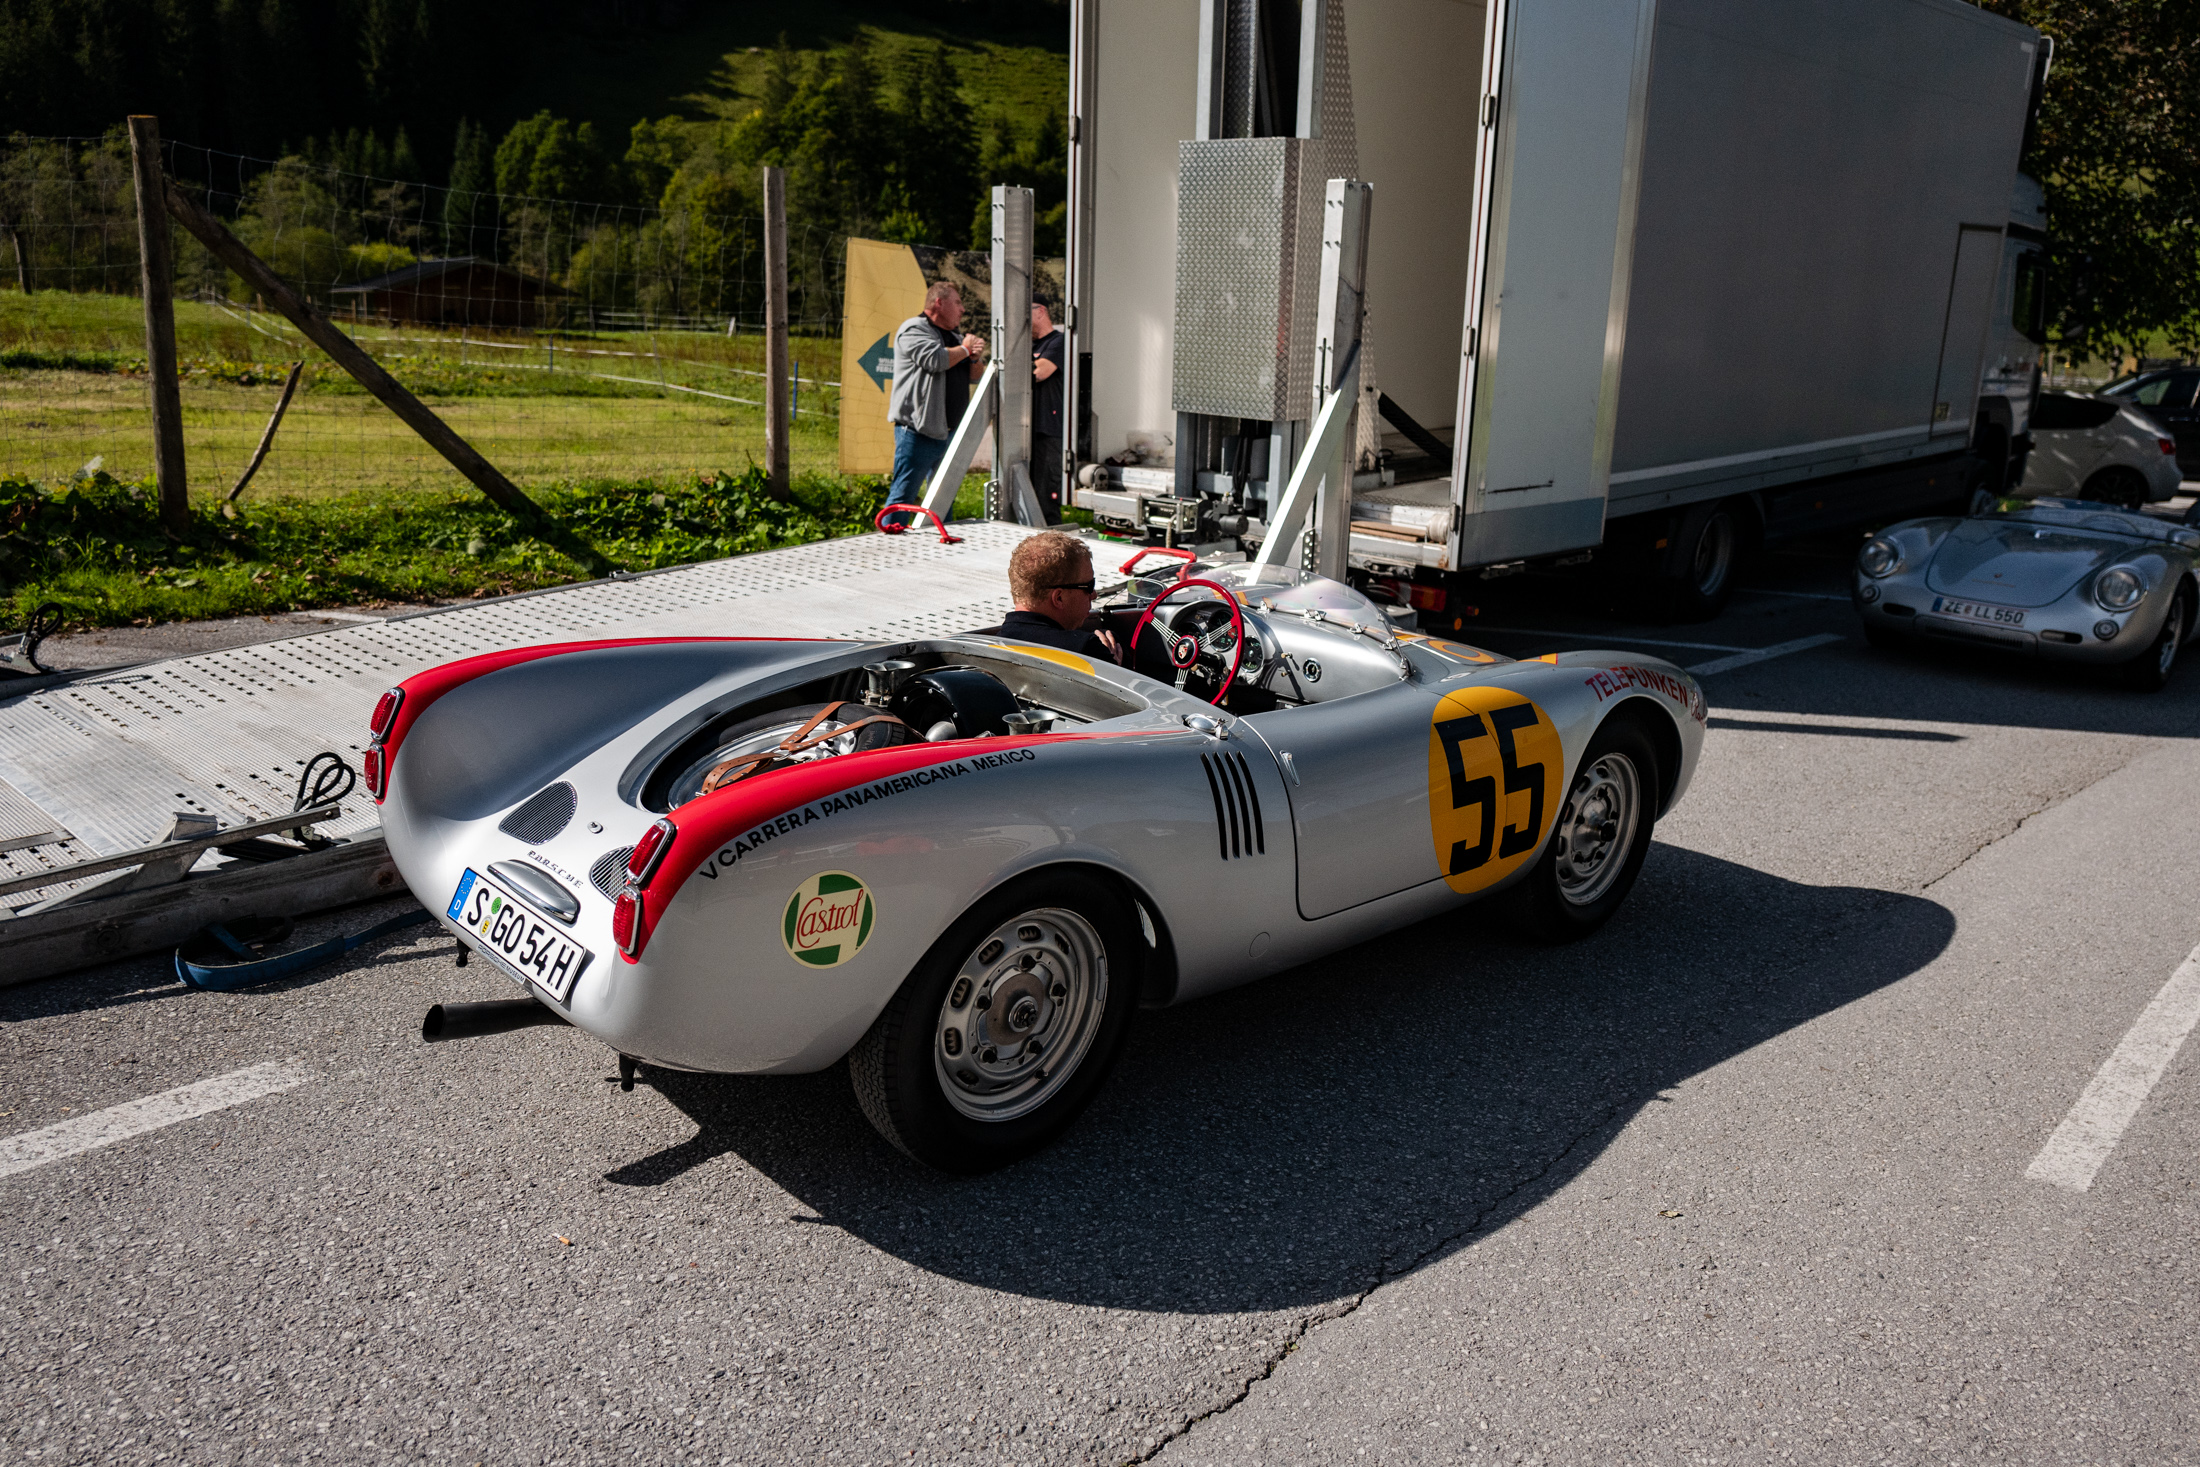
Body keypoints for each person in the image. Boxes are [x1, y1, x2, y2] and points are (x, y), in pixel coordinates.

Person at [885, 282, 987, 514]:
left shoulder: (954, 337)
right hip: (918, 433)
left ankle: (939, 542)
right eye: (958, 302)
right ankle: (890, 544)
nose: (962, 309)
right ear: (939, 303)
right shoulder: (913, 329)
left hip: (950, 433)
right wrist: (965, 349)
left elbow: (975, 376)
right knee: (903, 496)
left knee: (943, 499)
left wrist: (973, 358)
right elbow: (935, 360)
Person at [991, 531, 1121, 661]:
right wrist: (1113, 664)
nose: (1094, 594)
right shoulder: (1086, 650)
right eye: (1089, 586)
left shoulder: (989, 648)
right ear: (1059, 598)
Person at [1029, 297, 1067, 525]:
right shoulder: (1030, 346)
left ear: (1041, 310)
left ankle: (1053, 545)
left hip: (1048, 431)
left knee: (1045, 494)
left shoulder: (1059, 342)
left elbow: (1040, 372)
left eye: (1026, 312)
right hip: (1028, 431)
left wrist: (1031, 363)